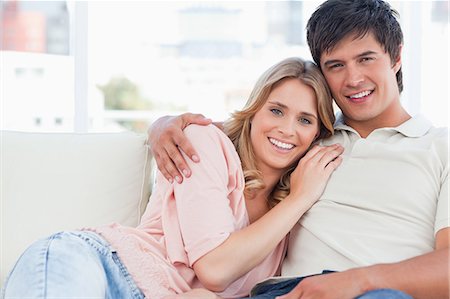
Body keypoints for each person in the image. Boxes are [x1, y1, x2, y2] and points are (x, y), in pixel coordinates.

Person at [146, 0, 449, 298]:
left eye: (366, 59)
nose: (354, 79)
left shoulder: (440, 147)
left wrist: (359, 281)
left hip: (379, 291)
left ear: (396, 56)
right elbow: (245, 129)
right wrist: (164, 125)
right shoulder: (308, 138)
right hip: (283, 292)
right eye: (336, 65)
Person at [2, 58, 344, 299]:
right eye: (276, 110)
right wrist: (301, 198)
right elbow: (214, 268)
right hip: (99, 264)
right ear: (253, 112)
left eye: (305, 120)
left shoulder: (284, 220)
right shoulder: (205, 144)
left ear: (317, 134)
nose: (286, 129)